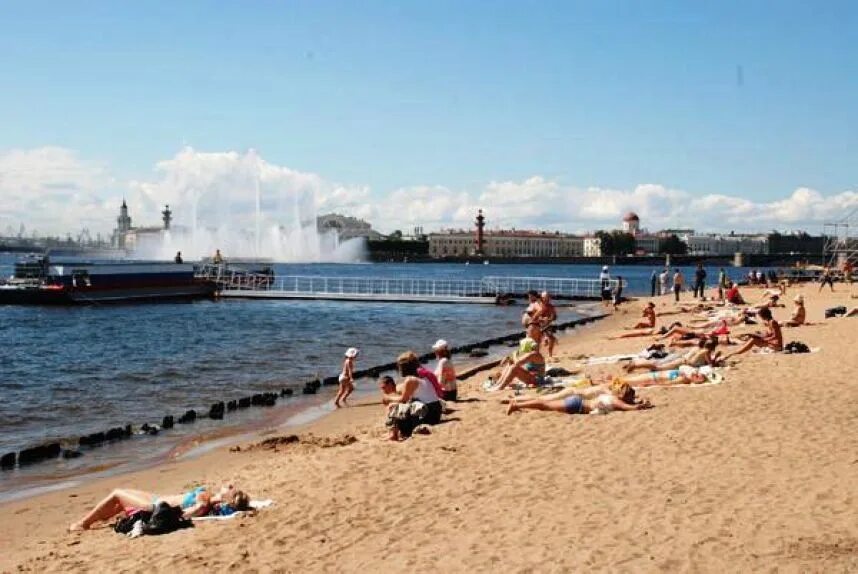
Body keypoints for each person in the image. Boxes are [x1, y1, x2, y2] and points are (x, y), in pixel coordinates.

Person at [69, 483, 250, 531]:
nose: (230, 486)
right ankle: (95, 520)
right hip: (156, 498)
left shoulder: (203, 504)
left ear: (226, 499)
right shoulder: (208, 497)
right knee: (119, 503)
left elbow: (182, 516)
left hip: (155, 506)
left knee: (117, 493)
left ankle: (83, 523)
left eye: (231, 489)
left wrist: (192, 511)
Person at [382, 352, 444, 440]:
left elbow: (403, 399)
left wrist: (389, 398)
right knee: (405, 405)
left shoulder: (410, 380)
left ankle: (393, 434)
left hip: (427, 414)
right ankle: (394, 432)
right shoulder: (422, 377)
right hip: (435, 412)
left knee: (393, 406)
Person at [506, 378, 652, 416]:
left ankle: (517, 402)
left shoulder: (611, 395)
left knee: (545, 403)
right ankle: (516, 404)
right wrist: (641, 405)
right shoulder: (615, 400)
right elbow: (630, 408)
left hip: (578, 401)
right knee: (544, 404)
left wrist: (639, 402)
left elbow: (629, 404)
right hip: (577, 404)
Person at [491, 322, 545, 390]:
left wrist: (514, 355)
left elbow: (517, 363)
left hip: (537, 380)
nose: (527, 335)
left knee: (514, 367)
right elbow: (517, 361)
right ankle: (498, 384)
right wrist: (509, 359)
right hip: (531, 376)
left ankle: (500, 387)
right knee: (510, 364)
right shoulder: (530, 351)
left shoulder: (534, 354)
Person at [623, 337, 720, 372]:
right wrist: (716, 357)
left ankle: (636, 363)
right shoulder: (706, 351)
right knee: (658, 367)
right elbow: (710, 364)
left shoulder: (700, 349)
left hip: (682, 361)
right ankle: (636, 364)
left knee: (658, 365)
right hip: (682, 362)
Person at [536, 291, 558, 358]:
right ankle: (536, 354)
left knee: (552, 339)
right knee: (537, 341)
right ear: (542, 298)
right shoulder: (538, 305)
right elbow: (534, 316)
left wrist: (552, 318)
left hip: (548, 325)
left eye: (549, 297)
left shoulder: (551, 306)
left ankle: (550, 353)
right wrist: (542, 318)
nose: (548, 299)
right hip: (538, 325)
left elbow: (555, 316)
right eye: (546, 297)